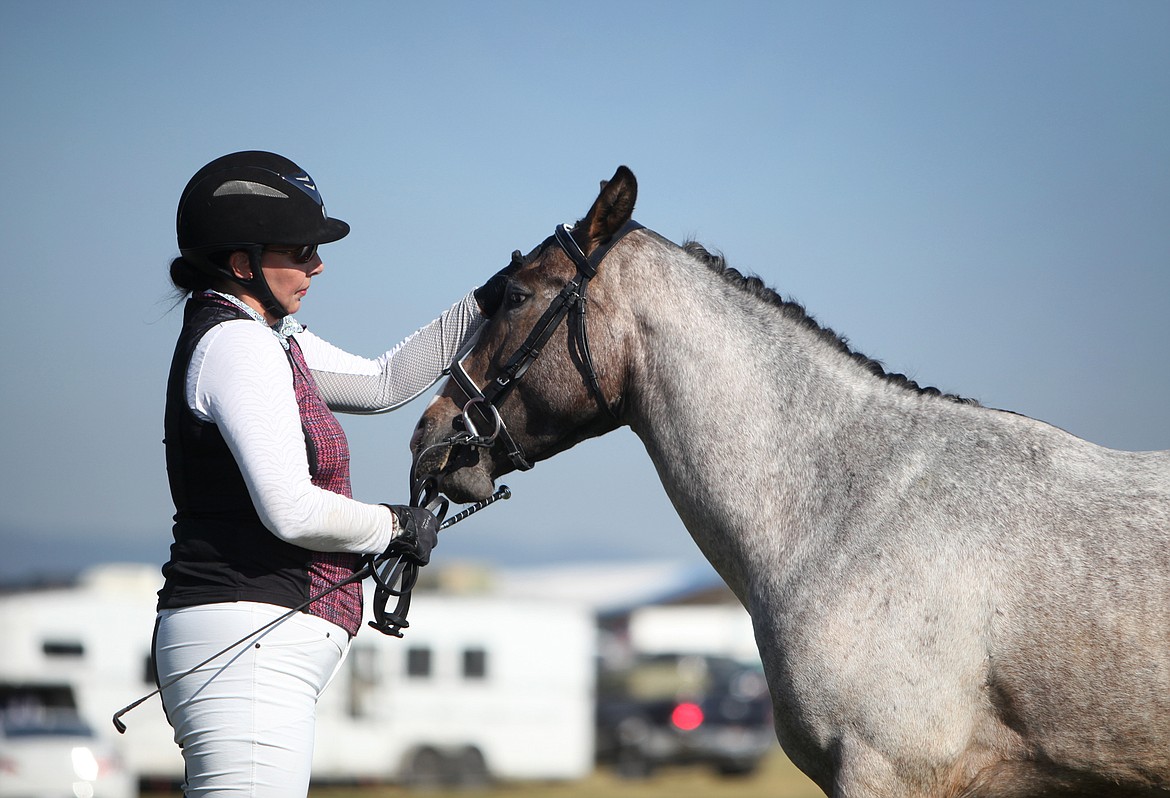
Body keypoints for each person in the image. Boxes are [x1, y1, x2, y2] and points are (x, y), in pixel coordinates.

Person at [154, 150, 511, 797]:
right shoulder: (238, 346)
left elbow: (382, 382)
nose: (318, 264)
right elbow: (290, 508)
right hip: (246, 644)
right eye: (299, 250)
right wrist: (392, 525)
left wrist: (488, 300)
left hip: (251, 646)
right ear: (242, 263)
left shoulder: (268, 337)